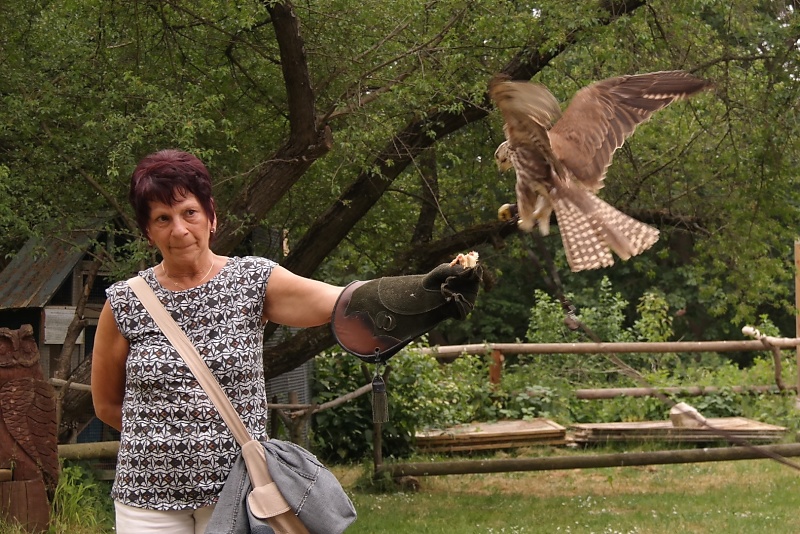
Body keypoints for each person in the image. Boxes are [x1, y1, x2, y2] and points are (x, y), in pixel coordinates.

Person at [92, 149, 481, 533]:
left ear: (211, 216)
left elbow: (341, 300)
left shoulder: (251, 280)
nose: (179, 229)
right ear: (147, 231)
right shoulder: (125, 302)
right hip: (147, 498)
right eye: (163, 218)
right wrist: (168, 441)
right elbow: (106, 403)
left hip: (239, 490)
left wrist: (426, 291)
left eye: (189, 212)